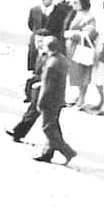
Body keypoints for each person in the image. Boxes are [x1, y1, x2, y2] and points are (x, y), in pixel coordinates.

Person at [32, 36, 77, 165]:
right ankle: (47, 153)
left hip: (49, 101)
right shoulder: (61, 59)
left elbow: (47, 87)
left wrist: (40, 103)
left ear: (48, 47)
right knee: (53, 126)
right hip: (58, 98)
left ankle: (67, 152)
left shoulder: (51, 64)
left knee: (48, 128)